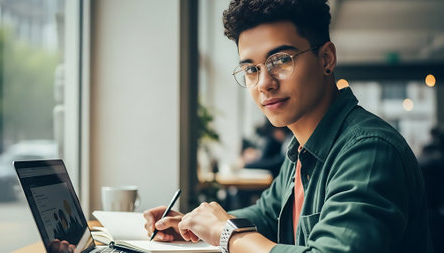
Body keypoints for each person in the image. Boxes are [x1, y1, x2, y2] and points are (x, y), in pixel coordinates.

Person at [144, 0, 432, 252]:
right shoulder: (302, 147)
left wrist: (228, 234)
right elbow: (267, 214)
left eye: (280, 60)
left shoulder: (369, 150)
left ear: (326, 59)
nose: (264, 83)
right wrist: (195, 225)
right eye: (251, 69)